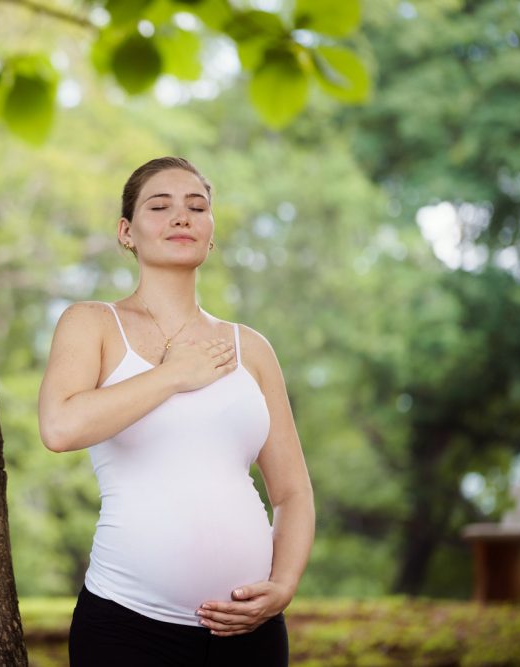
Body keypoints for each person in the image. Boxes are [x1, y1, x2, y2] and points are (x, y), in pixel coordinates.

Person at [37, 156, 315, 666]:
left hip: (249, 631)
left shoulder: (251, 348)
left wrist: (283, 586)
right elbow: (60, 427)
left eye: (197, 207)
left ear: (211, 232)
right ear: (127, 232)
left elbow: (293, 492)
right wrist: (172, 375)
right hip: (126, 626)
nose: (181, 217)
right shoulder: (92, 323)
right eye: (159, 206)